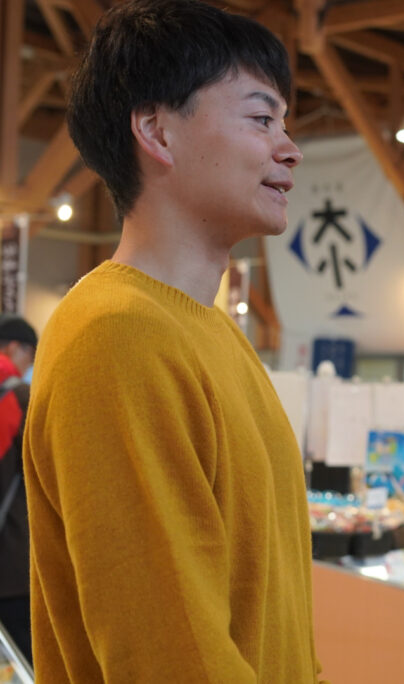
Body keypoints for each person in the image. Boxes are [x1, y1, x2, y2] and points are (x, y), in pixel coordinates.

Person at [23, 0, 321, 681]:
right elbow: (173, 656)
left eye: (285, 122)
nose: (290, 148)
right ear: (157, 131)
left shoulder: (211, 331)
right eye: (261, 118)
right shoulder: (115, 336)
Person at [0, 315, 35, 663]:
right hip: (11, 555)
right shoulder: (20, 397)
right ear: (14, 348)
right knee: (24, 661)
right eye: (30, 355)